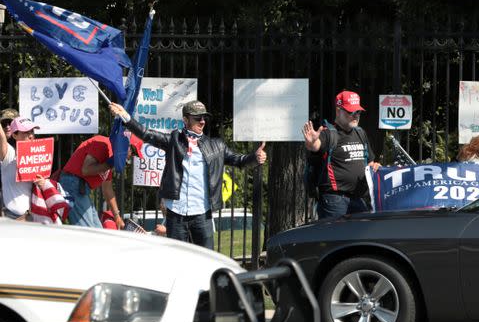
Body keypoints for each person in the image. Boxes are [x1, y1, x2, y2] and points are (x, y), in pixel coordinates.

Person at [109, 100, 266, 248]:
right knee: (177, 258)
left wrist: (255, 157)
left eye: (204, 117)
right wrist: (126, 117)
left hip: (202, 214)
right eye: (197, 118)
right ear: (185, 119)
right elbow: (146, 134)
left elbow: (239, 160)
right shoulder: (174, 140)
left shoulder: (216, 146)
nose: (202, 121)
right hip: (176, 213)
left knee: (206, 259)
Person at [302, 90, 381, 220]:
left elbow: (370, 162)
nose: (355, 116)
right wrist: (312, 143)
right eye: (351, 112)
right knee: (336, 239)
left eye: (358, 112)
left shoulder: (361, 133)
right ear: (338, 111)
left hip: (358, 199)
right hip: (334, 201)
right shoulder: (329, 134)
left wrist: (375, 166)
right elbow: (316, 146)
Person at [60, 132, 144, 229]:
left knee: (98, 231)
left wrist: (117, 216)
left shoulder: (111, 155)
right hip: (74, 185)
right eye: (133, 151)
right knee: (89, 233)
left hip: (80, 188)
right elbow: (86, 170)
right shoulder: (102, 143)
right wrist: (108, 165)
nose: (131, 156)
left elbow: (107, 189)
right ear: (126, 143)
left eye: (135, 155)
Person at [0, 117, 47, 219]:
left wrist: (43, 183)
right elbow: (1, 137)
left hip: (33, 216)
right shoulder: (9, 154)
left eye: (32, 132)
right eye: (25, 132)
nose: (30, 136)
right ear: (14, 135)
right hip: (13, 217)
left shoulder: (38, 156)